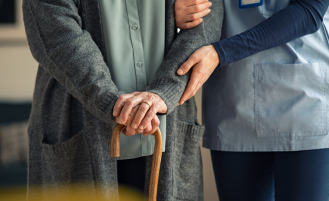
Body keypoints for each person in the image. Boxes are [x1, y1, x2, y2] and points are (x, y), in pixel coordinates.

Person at [22, 0, 224, 200]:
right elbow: (58, 35)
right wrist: (116, 104)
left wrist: (164, 92)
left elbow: (207, 18)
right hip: (79, 126)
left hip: (167, 129)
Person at [175, 0, 329, 201]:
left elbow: (309, 11)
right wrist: (177, 14)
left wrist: (222, 52)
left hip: (303, 102)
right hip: (234, 99)